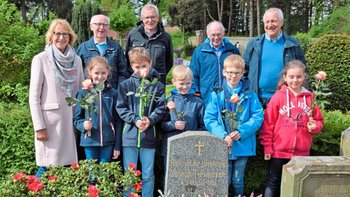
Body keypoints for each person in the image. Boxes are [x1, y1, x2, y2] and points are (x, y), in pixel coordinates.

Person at [259, 60, 324, 197]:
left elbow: (319, 121)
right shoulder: (278, 98)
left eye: (299, 77)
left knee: (298, 185)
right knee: (274, 182)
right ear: (285, 77)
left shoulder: (311, 98)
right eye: (291, 77)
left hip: (301, 153)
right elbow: (268, 125)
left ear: (304, 77)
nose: (295, 80)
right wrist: (267, 147)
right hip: (278, 151)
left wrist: (315, 127)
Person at [29, 19, 84, 178]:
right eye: (57, 33)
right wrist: (39, 126)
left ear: (70, 36)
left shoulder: (77, 60)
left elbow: (81, 91)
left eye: (65, 34)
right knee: (46, 168)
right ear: (51, 36)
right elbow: (34, 96)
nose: (61, 37)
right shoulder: (41, 59)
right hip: (50, 123)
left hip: (72, 121)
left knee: (68, 168)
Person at [204, 55, 263, 196]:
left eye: (237, 73)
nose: (233, 76)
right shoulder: (216, 94)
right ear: (224, 72)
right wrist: (223, 135)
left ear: (243, 73)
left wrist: (241, 131)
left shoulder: (250, 95)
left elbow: (257, 117)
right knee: (223, 180)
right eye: (230, 72)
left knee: (237, 179)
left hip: (242, 144)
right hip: (223, 144)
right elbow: (209, 119)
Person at [116, 47, 167, 197]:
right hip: (130, 137)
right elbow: (121, 107)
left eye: (144, 66)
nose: (140, 70)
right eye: (137, 67)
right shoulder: (126, 85)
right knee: (129, 173)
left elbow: (161, 107)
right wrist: (135, 119)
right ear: (131, 66)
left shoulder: (157, 86)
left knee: (148, 174)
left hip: (148, 137)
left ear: (150, 63)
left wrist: (150, 120)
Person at [243, 7, 306, 108]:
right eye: (267, 22)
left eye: (273, 21)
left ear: (281, 22)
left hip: (285, 100)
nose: (270, 25)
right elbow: (244, 70)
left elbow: (303, 70)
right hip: (257, 100)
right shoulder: (254, 44)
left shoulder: (293, 44)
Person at [73, 57, 121, 164]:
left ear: (108, 72)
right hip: (90, 140)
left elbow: (118, 121)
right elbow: (77, 118)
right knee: (92, 172)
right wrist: (83, 125)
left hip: (108, 140)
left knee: (104, 171)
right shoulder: (83, 93)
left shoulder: (113, 94)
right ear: (90, 72)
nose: (100, 76)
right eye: (96, 73)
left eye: (103, 73)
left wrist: (117, 146)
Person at [161, 65, 206, 170]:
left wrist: (193, 137)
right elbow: (161, 125)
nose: (185, 87)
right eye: (181, 83)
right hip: (171, 147)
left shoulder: (198, 102)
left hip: (191, 147)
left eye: (188, 83)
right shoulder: (168, 101)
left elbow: (203, 126)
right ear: (174, 82)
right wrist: (173, 125)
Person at [190, 21, 240, 105]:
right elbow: (193, 75)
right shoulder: (199, 52)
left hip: (229, 97)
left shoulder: (233, 50)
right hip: (207, 98)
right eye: (213, 35)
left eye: (219, 34)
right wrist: (197, 94)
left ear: (223, 33)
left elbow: (240, 72)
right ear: (208, 34)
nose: (216, 38)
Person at [125, 4, 173, 85]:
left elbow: (169, 62)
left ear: (158, 18)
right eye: (147, 17)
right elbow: (127, 58)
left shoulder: (166, 37)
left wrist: (158, 75)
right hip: (136, 82)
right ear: (142, 19)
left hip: (158, 82)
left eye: (153, 17)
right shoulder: (133, 35)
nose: (150, 20)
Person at [77, 14, 129, 89]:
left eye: (105, 25)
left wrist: (119, 91)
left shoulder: (116, 48)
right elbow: (78, 73)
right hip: (90, 95)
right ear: (91, 27)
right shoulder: (83, 48)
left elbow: (123, 73)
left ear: (108, 28)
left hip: (112, 95)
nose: (102, 27)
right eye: (98, 24)